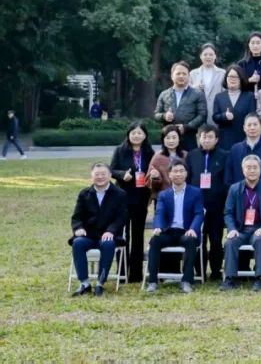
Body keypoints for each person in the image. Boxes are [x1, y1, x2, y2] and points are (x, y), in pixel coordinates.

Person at [145, 160, 204, 293]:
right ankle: (152, 281)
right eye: (175, 171)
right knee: (154, 241)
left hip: (186, 231)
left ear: (186, 174)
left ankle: (186, 281)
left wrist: (193, 229)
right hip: (168, 231)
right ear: (169, 175)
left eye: (181, 171)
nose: (178, 174)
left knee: (190, 241)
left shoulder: (196, 192)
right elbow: (159, 213)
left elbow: (199, 213)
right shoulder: (163, 194)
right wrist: (158, 226)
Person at [221, 155, 261, 291]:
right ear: (243, 170)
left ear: (260, 169)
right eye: (248, 167)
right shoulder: (234, 188)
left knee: (260, 240)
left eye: (255, 167)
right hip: (240, 230)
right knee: (230, 242)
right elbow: (228, 212)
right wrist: (232, 229)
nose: (252, 170)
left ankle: (260, 278)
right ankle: (230, 279)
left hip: (259, 228)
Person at [69, 162, 127, 296]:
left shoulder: (120, 194)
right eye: (97, 174)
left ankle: (100, 283)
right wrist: (78, 228)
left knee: (108, 244)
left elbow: (121, 218)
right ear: (92, 176)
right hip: (88, 235)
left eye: (103, 174)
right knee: (77, 243)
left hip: (109, 235)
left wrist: (111, 231)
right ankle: (84, 283)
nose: (100, 177)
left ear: (110, 175)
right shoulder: (84, 194)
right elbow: (77, 217)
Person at [109, 122, 155, 283]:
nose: (136, 136)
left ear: (145, 135)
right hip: (122, 197)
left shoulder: (149, 152)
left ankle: (136, 274)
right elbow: (111, 170)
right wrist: (122, 175)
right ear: (128, 135)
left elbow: (152, 171)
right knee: (122, 235)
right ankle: (121, 273)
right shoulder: (120, 150)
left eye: (140, 133)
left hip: (141, 198)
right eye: (133, 133)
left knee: (137, 235)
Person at [187, 123, 229, 281]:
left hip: (217, 205)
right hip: (197, 206)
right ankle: (200, 271)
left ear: (216, 139)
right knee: (199, 239)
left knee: (216, 239)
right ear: (198, 138)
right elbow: (188, 179)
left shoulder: (225, 155)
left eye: (210, 137)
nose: (206, 140)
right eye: (203, 137)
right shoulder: (191, 155)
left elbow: (227, 180)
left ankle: (216, 270)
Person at [153, 60, 207, 151]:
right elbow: (156, 115)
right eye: (178, 73)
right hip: (169, 138)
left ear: (189, 76)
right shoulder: (164, 94)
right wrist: (164, 116)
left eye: (184, 74)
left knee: (189, 159)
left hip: (189, 137)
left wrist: (186, 127)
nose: (181, 76)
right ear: (172, 76)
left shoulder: (198, 94)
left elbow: (202, 115)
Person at [226, 114, 261, 188]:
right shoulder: (235, 150)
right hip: (239, 193)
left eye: (255, 125)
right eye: (249, 125)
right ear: (244, 128)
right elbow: (228, 176)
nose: (252, 128)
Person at [212, 65, 257, 152]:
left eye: (236, 77)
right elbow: (215, 117)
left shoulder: (249, 96)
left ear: (241, 79)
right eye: (230, 76)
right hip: (225, 140)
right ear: (226, 79)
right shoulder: (219, 97)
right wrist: (224, 116)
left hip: (244, 139)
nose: (232, 79)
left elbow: (252, 116)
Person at [148, 125, 186, 198]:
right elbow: (149, 183)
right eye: (168, 138)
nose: (171, 141)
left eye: (174, 137)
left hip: (183, 196)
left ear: (179, 139)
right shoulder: (157, 157)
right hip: (164, 197)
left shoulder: (186, 155)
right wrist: (155, 177)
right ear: (163, 139)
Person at [190, 43, 226, 113]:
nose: (208, 57)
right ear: (200, 56)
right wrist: (195, 88)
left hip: (217, 111)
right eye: (205, 54)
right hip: (198, 112)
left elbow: (225, 94)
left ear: (215, 56)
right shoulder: (193, 73)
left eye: (211, 55)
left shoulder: (222, 73)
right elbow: (187, 93)